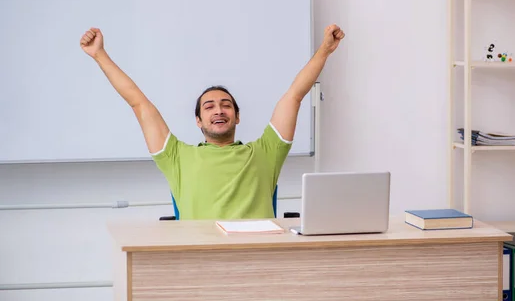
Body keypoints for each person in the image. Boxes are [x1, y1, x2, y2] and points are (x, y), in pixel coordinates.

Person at [80, 24, 345, 220]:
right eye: (209, 107)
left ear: (237, 116)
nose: (218, 110)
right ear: (198, 120)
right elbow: (138, 103)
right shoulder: (177, 156)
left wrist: (324, 50)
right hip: (201, 263)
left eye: (226, 105)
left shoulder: (265, 151)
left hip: (257, 262)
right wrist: (100, 55)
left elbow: (295, 95)